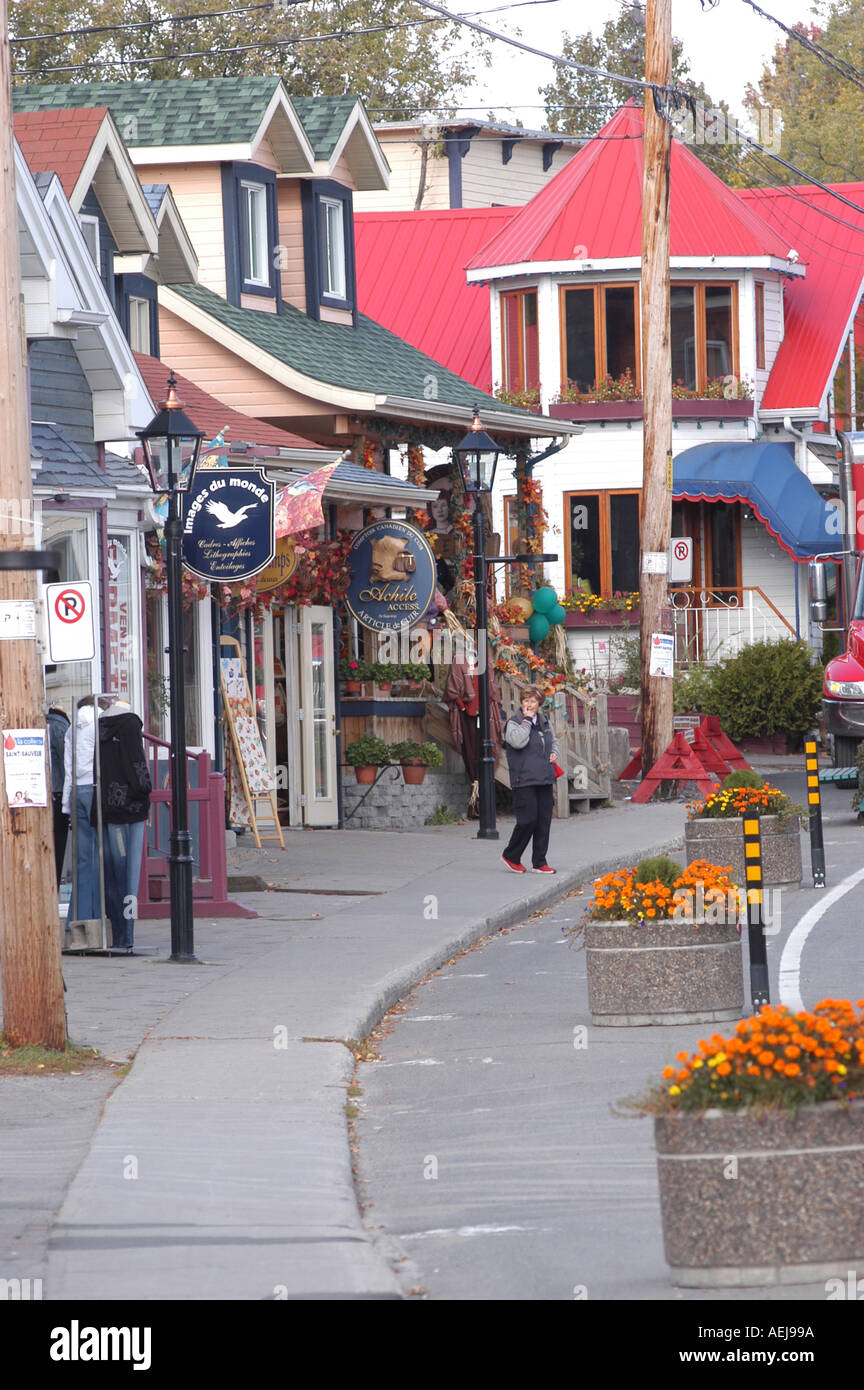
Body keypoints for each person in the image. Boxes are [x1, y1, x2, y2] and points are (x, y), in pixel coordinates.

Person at [96, 697, 151, 952]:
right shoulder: (130, 724)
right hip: (130, 809)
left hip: (107, 807)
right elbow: (136, 765)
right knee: (130, 875)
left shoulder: (100, 726)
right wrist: (144, 790)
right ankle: (127, 936)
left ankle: (117, 932)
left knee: (112, 874)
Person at [501, 686, 559, 874]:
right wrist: (526, 721)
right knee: (527, 821)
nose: (529, 704)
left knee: (543, 821)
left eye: (533, 701)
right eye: (526, 700)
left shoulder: (544, 721)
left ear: (539, 703)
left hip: (544, 778)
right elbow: (517, 742)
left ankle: (539, 862)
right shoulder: (514, 722)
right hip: (524, 778)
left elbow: (554, 741)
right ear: (521, 702)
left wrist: (554, 752)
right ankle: (511, 855)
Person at [62, 696, 103, 922]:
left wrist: (66, 804)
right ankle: (96, 917)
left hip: (76, 790)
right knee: (100, 856)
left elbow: (69, 769)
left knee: (83, 858)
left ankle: (76, 918)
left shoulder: (71, 730)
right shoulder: (101, 723)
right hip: (95, 788)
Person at [47, 704, 71, 887]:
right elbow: (66, 765)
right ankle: (54, 884)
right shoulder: (61, 728)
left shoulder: (47, 725)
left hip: (49, 790)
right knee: (59, 841)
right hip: (59, 790)